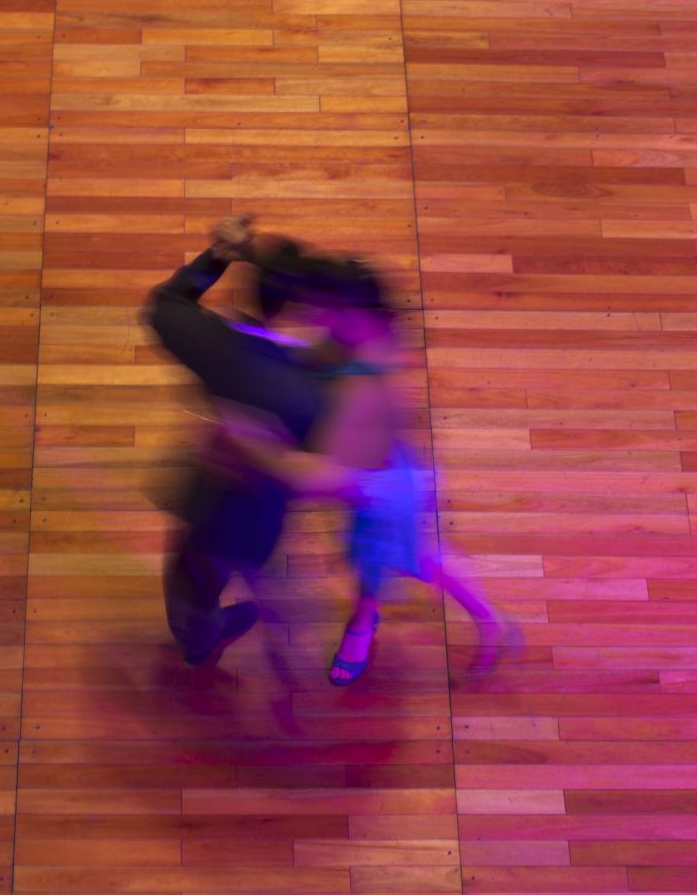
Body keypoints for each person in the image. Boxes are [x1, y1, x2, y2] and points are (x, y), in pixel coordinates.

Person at [209, 256, 511, 685]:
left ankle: (367, 625)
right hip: (392, 472)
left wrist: (248, 440)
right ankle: (484, 622)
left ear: (355, 310)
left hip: (381, 495)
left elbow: (318, 480)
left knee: (386, 563)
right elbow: (315, 359)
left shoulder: (364, 388)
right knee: (417, 557)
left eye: (326, 309)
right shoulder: (369, 337)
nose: (316, 318)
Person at [142, 215, 325, 667]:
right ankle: (279, 635)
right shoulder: (317, 382)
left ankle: (199, 638)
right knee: (256, 563)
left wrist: (217, 256)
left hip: (208, 495)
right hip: (267, 507)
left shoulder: (213, 341)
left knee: (193, 580)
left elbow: (164, 305)